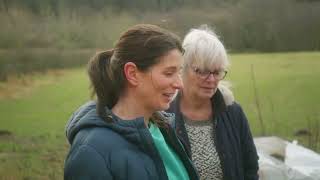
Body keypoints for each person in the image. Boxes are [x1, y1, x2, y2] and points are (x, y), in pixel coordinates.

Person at [64, 24, 199, 180]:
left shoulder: (165, 131)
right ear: (132, 73)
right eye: (169, 73)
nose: (179, 84)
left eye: (179, 72)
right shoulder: (91, 152)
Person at [167, 26, 259, 180]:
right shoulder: (163, 116)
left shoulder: (233, 113)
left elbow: (250, 167)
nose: (211, 80)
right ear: (183, 68)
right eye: (202, 71)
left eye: (217, 72)